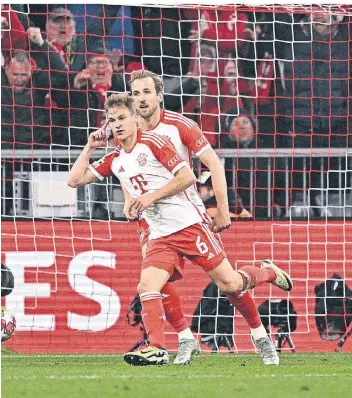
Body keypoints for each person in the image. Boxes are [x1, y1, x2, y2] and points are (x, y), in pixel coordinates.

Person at [67, 93, 292, 366]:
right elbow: (74, 180)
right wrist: (90, 147)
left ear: (135, 118)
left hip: (189, 225)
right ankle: (159, 347)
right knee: (147, 285)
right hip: (159, 233)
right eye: (112, 120)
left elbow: (187, 177)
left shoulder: (154, 143)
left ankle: (266, 284)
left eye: (123, 118)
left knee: (230, 284)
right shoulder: (115, 158)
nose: (117, 125)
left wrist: (151, 197)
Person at [126, 69, 282, 365]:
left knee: (230, 285)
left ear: (159, 96)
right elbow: (125, 167)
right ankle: (185, 338)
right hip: (152, 220)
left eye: (147, 92)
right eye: (136, 93)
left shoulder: (180, 125)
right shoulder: (129, 128)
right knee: (152, 283)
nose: (141, 99)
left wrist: (223, 209)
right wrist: (129, 200)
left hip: (187, 217)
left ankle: (261, 329)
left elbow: (214, 163)